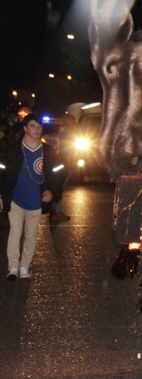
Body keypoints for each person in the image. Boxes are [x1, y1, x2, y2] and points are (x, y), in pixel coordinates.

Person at [1, 114, 64, 280]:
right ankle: (13, 267)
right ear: (25, 128)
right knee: (15, 231)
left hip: (36, 200)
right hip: (15, 198)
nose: (37, 130)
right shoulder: (12, 150)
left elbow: (60, 173)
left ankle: (24, 267)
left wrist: (52, 191)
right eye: (33, 126)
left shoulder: (49, 151)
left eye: (39, 126)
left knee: (30, 234)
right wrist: (1, 195)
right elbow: (2, 172)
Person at [50, 114, 77, 222]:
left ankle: (58, 211)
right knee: (58, 188)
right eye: (72, 121)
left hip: (65, 163)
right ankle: (54, 212)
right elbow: (66, 153)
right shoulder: (66, 135)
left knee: (60, 188)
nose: (74, 124)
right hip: (63, 164)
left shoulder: (69, 134)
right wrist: (69, 167)